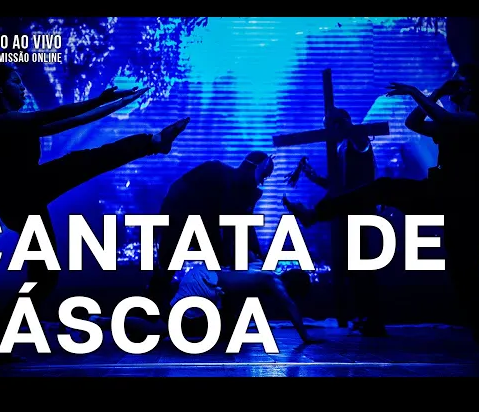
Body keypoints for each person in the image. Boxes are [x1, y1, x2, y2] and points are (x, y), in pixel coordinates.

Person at [0, 63, 190, 361]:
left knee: (45, 277)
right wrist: (101, 100)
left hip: (27, 197)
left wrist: (117, 103)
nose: (23, 87)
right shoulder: (2, 121)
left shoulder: (16, 122)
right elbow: (59, 115)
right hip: (19, 194)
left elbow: (75, 120)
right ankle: (153, 142)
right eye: (16, 82)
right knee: (82, 163)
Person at [283, 64, 479, 348]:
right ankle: (315, 214)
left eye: (459, 82)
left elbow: (445, 118)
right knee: (382, 188)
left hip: (466, 202)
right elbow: (414, 123)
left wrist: (415, 92)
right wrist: (436, 93)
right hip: (439, 192)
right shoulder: (452, 122)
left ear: (473, 88)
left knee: (464, 271)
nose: (453, 86)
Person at [284, 108, 386, 336]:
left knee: (362, 264)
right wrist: (314, 177)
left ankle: (373, 319)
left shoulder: (358, 142)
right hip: (348, 207)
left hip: (361, 207)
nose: (327, 131)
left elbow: (359, 138)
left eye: (329, 126)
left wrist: (341, 122)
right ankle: (365, 316)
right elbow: (338, 185)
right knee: (353, 265)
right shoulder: (342, 147)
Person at [148, 151, 275, 312]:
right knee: (167, 269)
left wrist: (256, 254)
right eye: (263, 176)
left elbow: (245, 225)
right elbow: (177, 191)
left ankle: (219, 310)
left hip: (201, 228)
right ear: (254, 168)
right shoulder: (216, 170)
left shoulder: (242, 193)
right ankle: (152, 309)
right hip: (180, 222)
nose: (261, 182)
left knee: (220, 267)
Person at [92, 263, 320, 344]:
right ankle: (103, 321)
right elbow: (290, 306)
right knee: (159, 328)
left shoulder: (264, 272)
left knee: (163, 327)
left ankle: (106, 322)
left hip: (205, 280)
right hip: (203, 283)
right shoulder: (273, 280)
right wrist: (306, 336)